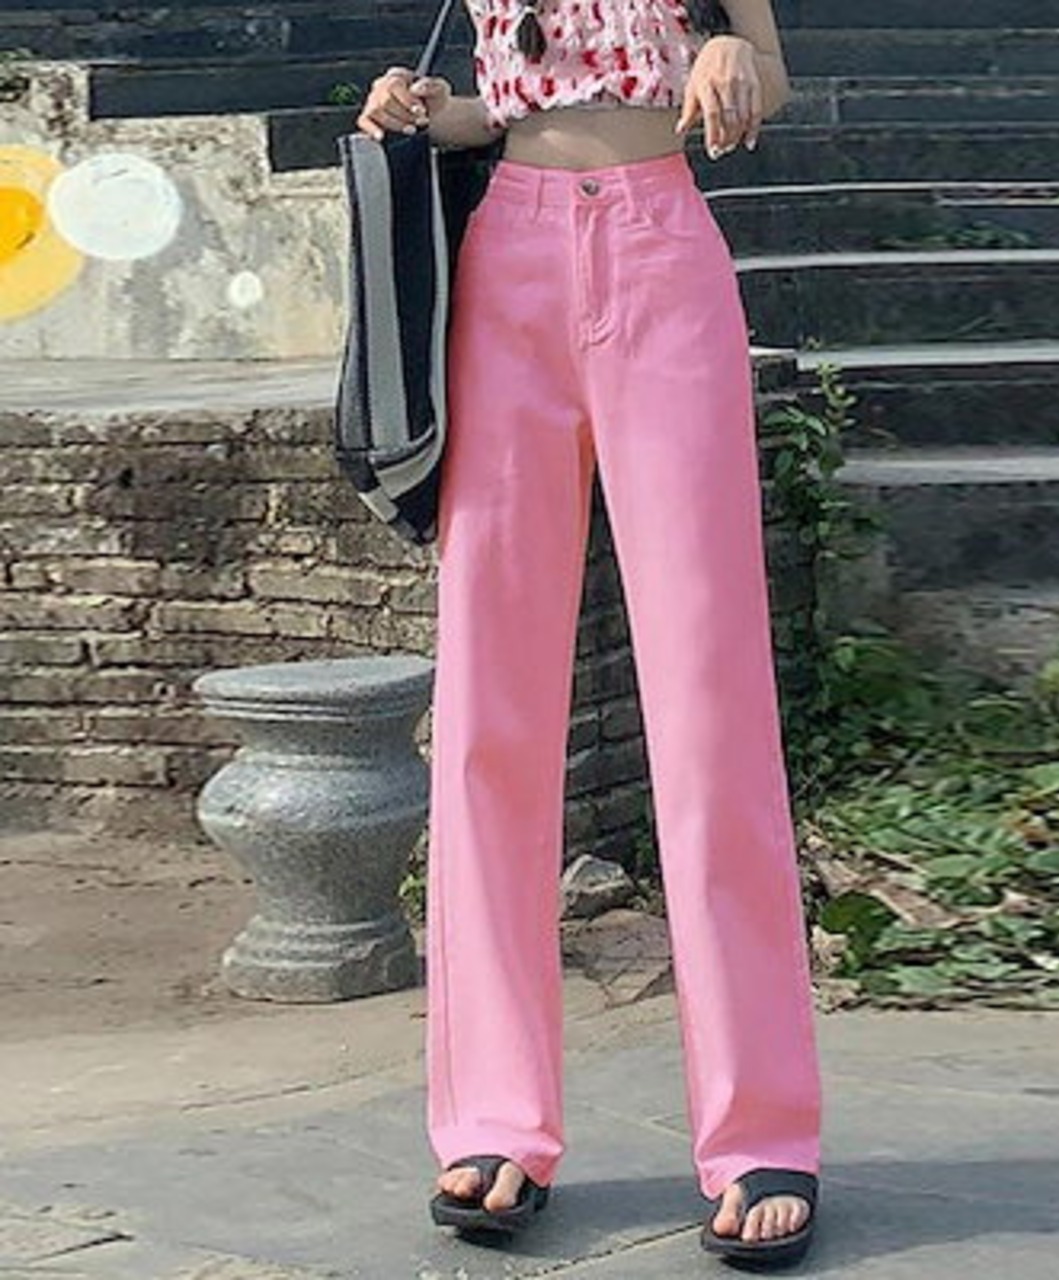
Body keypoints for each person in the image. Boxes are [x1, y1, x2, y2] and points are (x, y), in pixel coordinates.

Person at [356, 0, 823, 1266]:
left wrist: (729, 55)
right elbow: (509, 107)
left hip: (662, 249)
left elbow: (765, 73)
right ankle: (493, 1117)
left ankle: (760, 1125)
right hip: (506, 261)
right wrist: (422, 111)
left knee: (710, 702)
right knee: (487, 713)